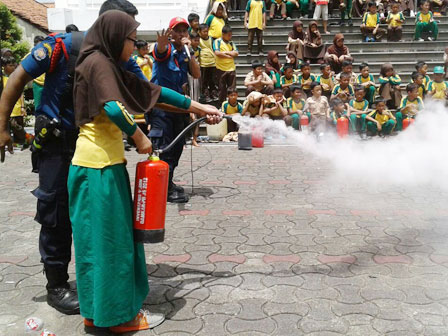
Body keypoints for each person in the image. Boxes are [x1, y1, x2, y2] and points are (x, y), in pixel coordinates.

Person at [70, 11, 220, 332]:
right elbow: (113, 106)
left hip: (97, 167)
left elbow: (151, 92)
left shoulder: (106, 65)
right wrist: (138, 136)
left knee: (95, 243)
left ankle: (97, 312)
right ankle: (121, 319)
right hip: (98, 170)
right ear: (114, 36)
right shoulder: (99, 63)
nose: (134, 45)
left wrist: (198, 107)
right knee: (114, 244)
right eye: (131, 40)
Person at [0, 0, 150, 316]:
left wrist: (195, 107)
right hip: (56, 145)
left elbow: (149, 90)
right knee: (55, 214)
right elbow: (17, 79)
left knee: (92, 217)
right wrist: (2, 128)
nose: (131, 39)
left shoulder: (120, 57)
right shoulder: (63, 46)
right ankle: (56, 285)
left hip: (91, 148)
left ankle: (96, 277)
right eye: (127, 31)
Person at [149, 17, 201, 203]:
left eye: (184, 31)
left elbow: (196, 74)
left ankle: (167, 183)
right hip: (161, 107)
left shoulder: (185, 53)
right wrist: (162, 44)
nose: (181, 34)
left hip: (178, 108)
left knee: (177, 146)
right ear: (170, 33)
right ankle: (161, 188)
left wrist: (192, 53)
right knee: (164, 147)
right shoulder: (165, 49)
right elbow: (160, 51)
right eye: (177, 31)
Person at [2, 57, 27, 147]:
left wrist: (22, 107)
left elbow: (21, 94)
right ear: (4, 67)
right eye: (10, 65)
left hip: (16, 108)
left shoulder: (15, 79)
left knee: (17, 127)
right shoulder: (3, 79)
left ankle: (25, 139)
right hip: (9, 109)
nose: (13, 68)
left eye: (13, 65)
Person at [213, 25, 238, 103]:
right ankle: (222, 104)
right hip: (221, 68)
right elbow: (217, 52)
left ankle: (232, 104)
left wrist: (225, 52)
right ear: (223, 34)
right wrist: (229, 55)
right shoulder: (217, 41)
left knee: (232, 88)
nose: (230, 37)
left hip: (231, 68)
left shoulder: (231, 43)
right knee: (222, 88)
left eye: (231, 35)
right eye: (228, 35)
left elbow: (236, 53)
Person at [198, 24, 217, 103]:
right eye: (204, 31)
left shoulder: (211, 39)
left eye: (207, 31)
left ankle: (213, 94)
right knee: (204, 81)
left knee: (212, 80)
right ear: (199, 32)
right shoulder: (198, 40)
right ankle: (206, 95)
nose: (206, 33)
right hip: (203, 63)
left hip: (212, 62)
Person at [32, 36, 46, 110]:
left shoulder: (47, 54)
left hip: (48, 83)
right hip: (37, 84)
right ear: (35, 45)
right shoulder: (30, 56)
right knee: (38, 106)